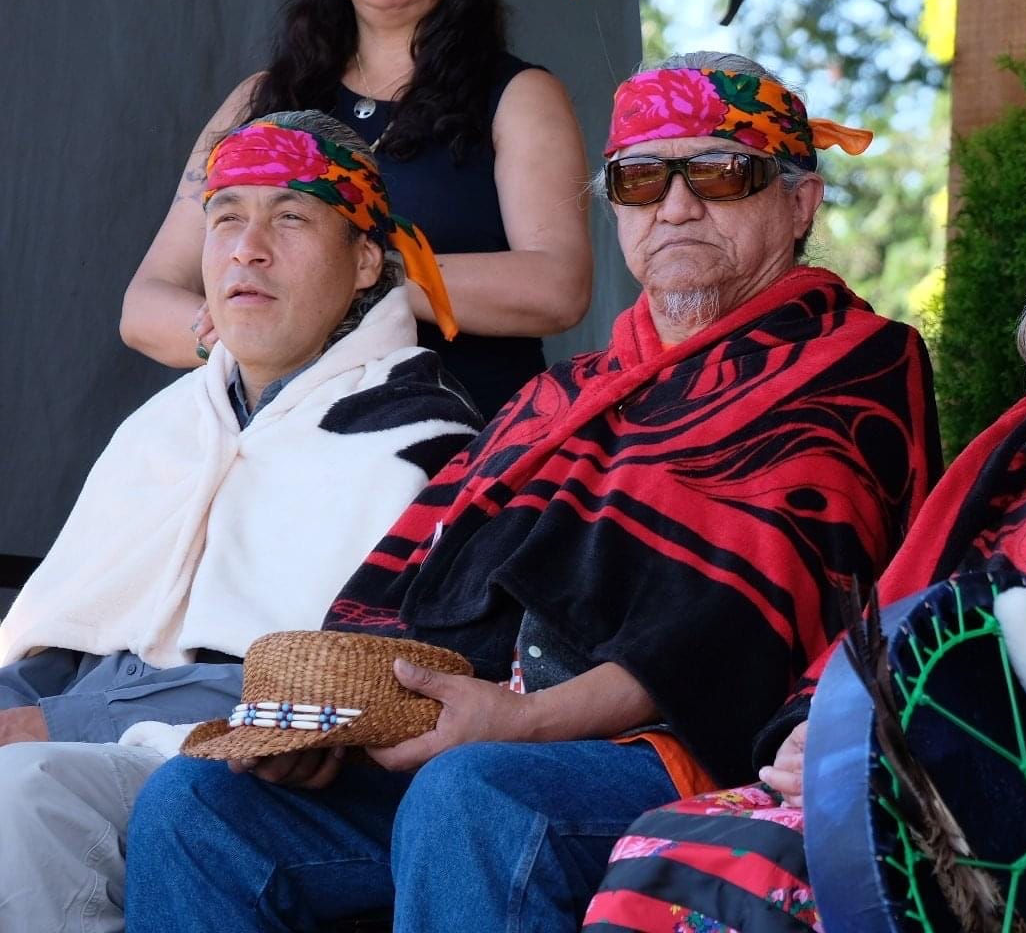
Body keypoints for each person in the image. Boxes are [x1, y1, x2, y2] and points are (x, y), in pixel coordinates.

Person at [123, 53, 944, 933]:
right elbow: (414, 575)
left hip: (691, 752)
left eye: (718, 171)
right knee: (196, 803)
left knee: (473, 793)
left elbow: (736, 625)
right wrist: (332, 727)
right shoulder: (563, 394)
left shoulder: (852, 358)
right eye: (638, 178)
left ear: (799, 201)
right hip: (478, 738)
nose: (674, 205)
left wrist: (523, 722)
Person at [583, 132, 1026, 930]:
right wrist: (819, 730)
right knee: (660, 848)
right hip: (913, 763)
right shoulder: (1017, 450)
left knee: (755, 872)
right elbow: (903, 616)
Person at [0, 111, 483, 933]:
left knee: (24, 798)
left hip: (232, 767)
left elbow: (356, 689)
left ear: (366, 260)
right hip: (70, 730)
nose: (246, 248)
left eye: (289, 218)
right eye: (225, 218)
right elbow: (54, 635)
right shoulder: (165, 423)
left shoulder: (419, 444)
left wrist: (58, 721)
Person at [122, 0, 592, 419]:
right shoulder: (257, 100)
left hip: (464, 461)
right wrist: (235, 329)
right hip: (279, 457)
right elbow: (144, 306)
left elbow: (558, 288)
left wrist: (363, 278)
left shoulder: (520, 95)